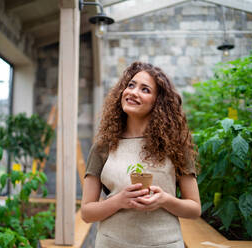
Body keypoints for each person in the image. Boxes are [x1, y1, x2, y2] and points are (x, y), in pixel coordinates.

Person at [81, 61, 201, 248]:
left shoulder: (175, 146)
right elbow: (87, 213)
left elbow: (194, 209)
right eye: (130, 85)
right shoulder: (103, 147)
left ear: (158, 102)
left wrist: (164, 200)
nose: (133, 92)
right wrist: (120, 201)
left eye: (145, 89)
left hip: (165, 243)